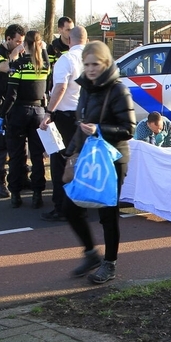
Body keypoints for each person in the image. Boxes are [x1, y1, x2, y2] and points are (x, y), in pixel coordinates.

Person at [63, 40, 136, 284]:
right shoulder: (86, 87)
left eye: (95, 64)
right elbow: (81, 125)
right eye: (86, 64)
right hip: (88, 156)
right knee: (70, 207)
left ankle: (110, 264)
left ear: (105, 63)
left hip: (113, 158)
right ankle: (91, 254)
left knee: (107, 213)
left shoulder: (118, 89)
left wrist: (100, 129)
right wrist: (69, 152)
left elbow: (129, 129)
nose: (91, 69)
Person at [39, 25, 86, 221]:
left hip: (66, 116)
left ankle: (62, 207)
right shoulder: (97, 59)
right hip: (88, 116)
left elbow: (60, 87)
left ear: (69, 40)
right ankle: (82, 204)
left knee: (61, 162)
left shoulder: (66, 59)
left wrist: (49, 112)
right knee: (82, 161)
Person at [0, 30, 49, 209]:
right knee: (37, 156)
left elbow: (11, 95)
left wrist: (1, 116)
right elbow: (46, 60)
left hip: (19, 112)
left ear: (24, 45)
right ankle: (37, 195)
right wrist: (42, 49)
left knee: (16, 155)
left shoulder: (18, 65)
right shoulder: (44, 66)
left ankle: (16, 194)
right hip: (39, 112)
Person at [0, 25, 25, 198]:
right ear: (8, 39)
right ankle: (0, 181)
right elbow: (3, 67)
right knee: (2, 143)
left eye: (22, 42)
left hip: (19, 103)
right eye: (17, 41)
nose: (20, 44)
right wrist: (14, 55)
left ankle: (21, 176)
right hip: (3, 104)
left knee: (20, 142)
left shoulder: (21, 53)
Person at [46, 16, 74, 94]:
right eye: (68, 30)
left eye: (72, 30)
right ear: (60, 30)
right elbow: (48, 69)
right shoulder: (53, 48)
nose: (71, 32)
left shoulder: (76, 46)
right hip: (58, 87)